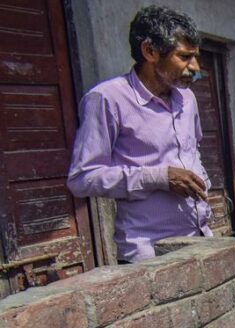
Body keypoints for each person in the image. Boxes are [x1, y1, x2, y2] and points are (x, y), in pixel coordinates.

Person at [67, 6, 211, 262]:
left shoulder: (187, 99)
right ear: (149, 51)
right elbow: (82, 179)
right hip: (149, 256)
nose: (195, 67)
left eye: (195, 57)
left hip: (200, 240)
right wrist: (158, 177)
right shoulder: (107, 99)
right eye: (185, 57)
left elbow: (194, 151)